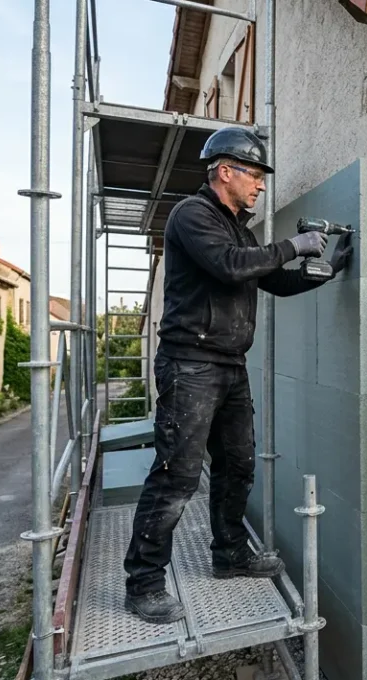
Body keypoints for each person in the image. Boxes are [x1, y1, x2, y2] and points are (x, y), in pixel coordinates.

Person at [122, 127, 351, 623]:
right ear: (225, 171)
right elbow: (229, 266)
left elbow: (272, 280)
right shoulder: (192, 216)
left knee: (238, 464)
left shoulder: (239, 229)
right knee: (176, 476)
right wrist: (294, 244)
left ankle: (229, 554)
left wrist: (326, 269)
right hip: (190, 365)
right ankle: (142, 584)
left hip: (228, 365)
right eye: (255, 175)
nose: (262, 186)